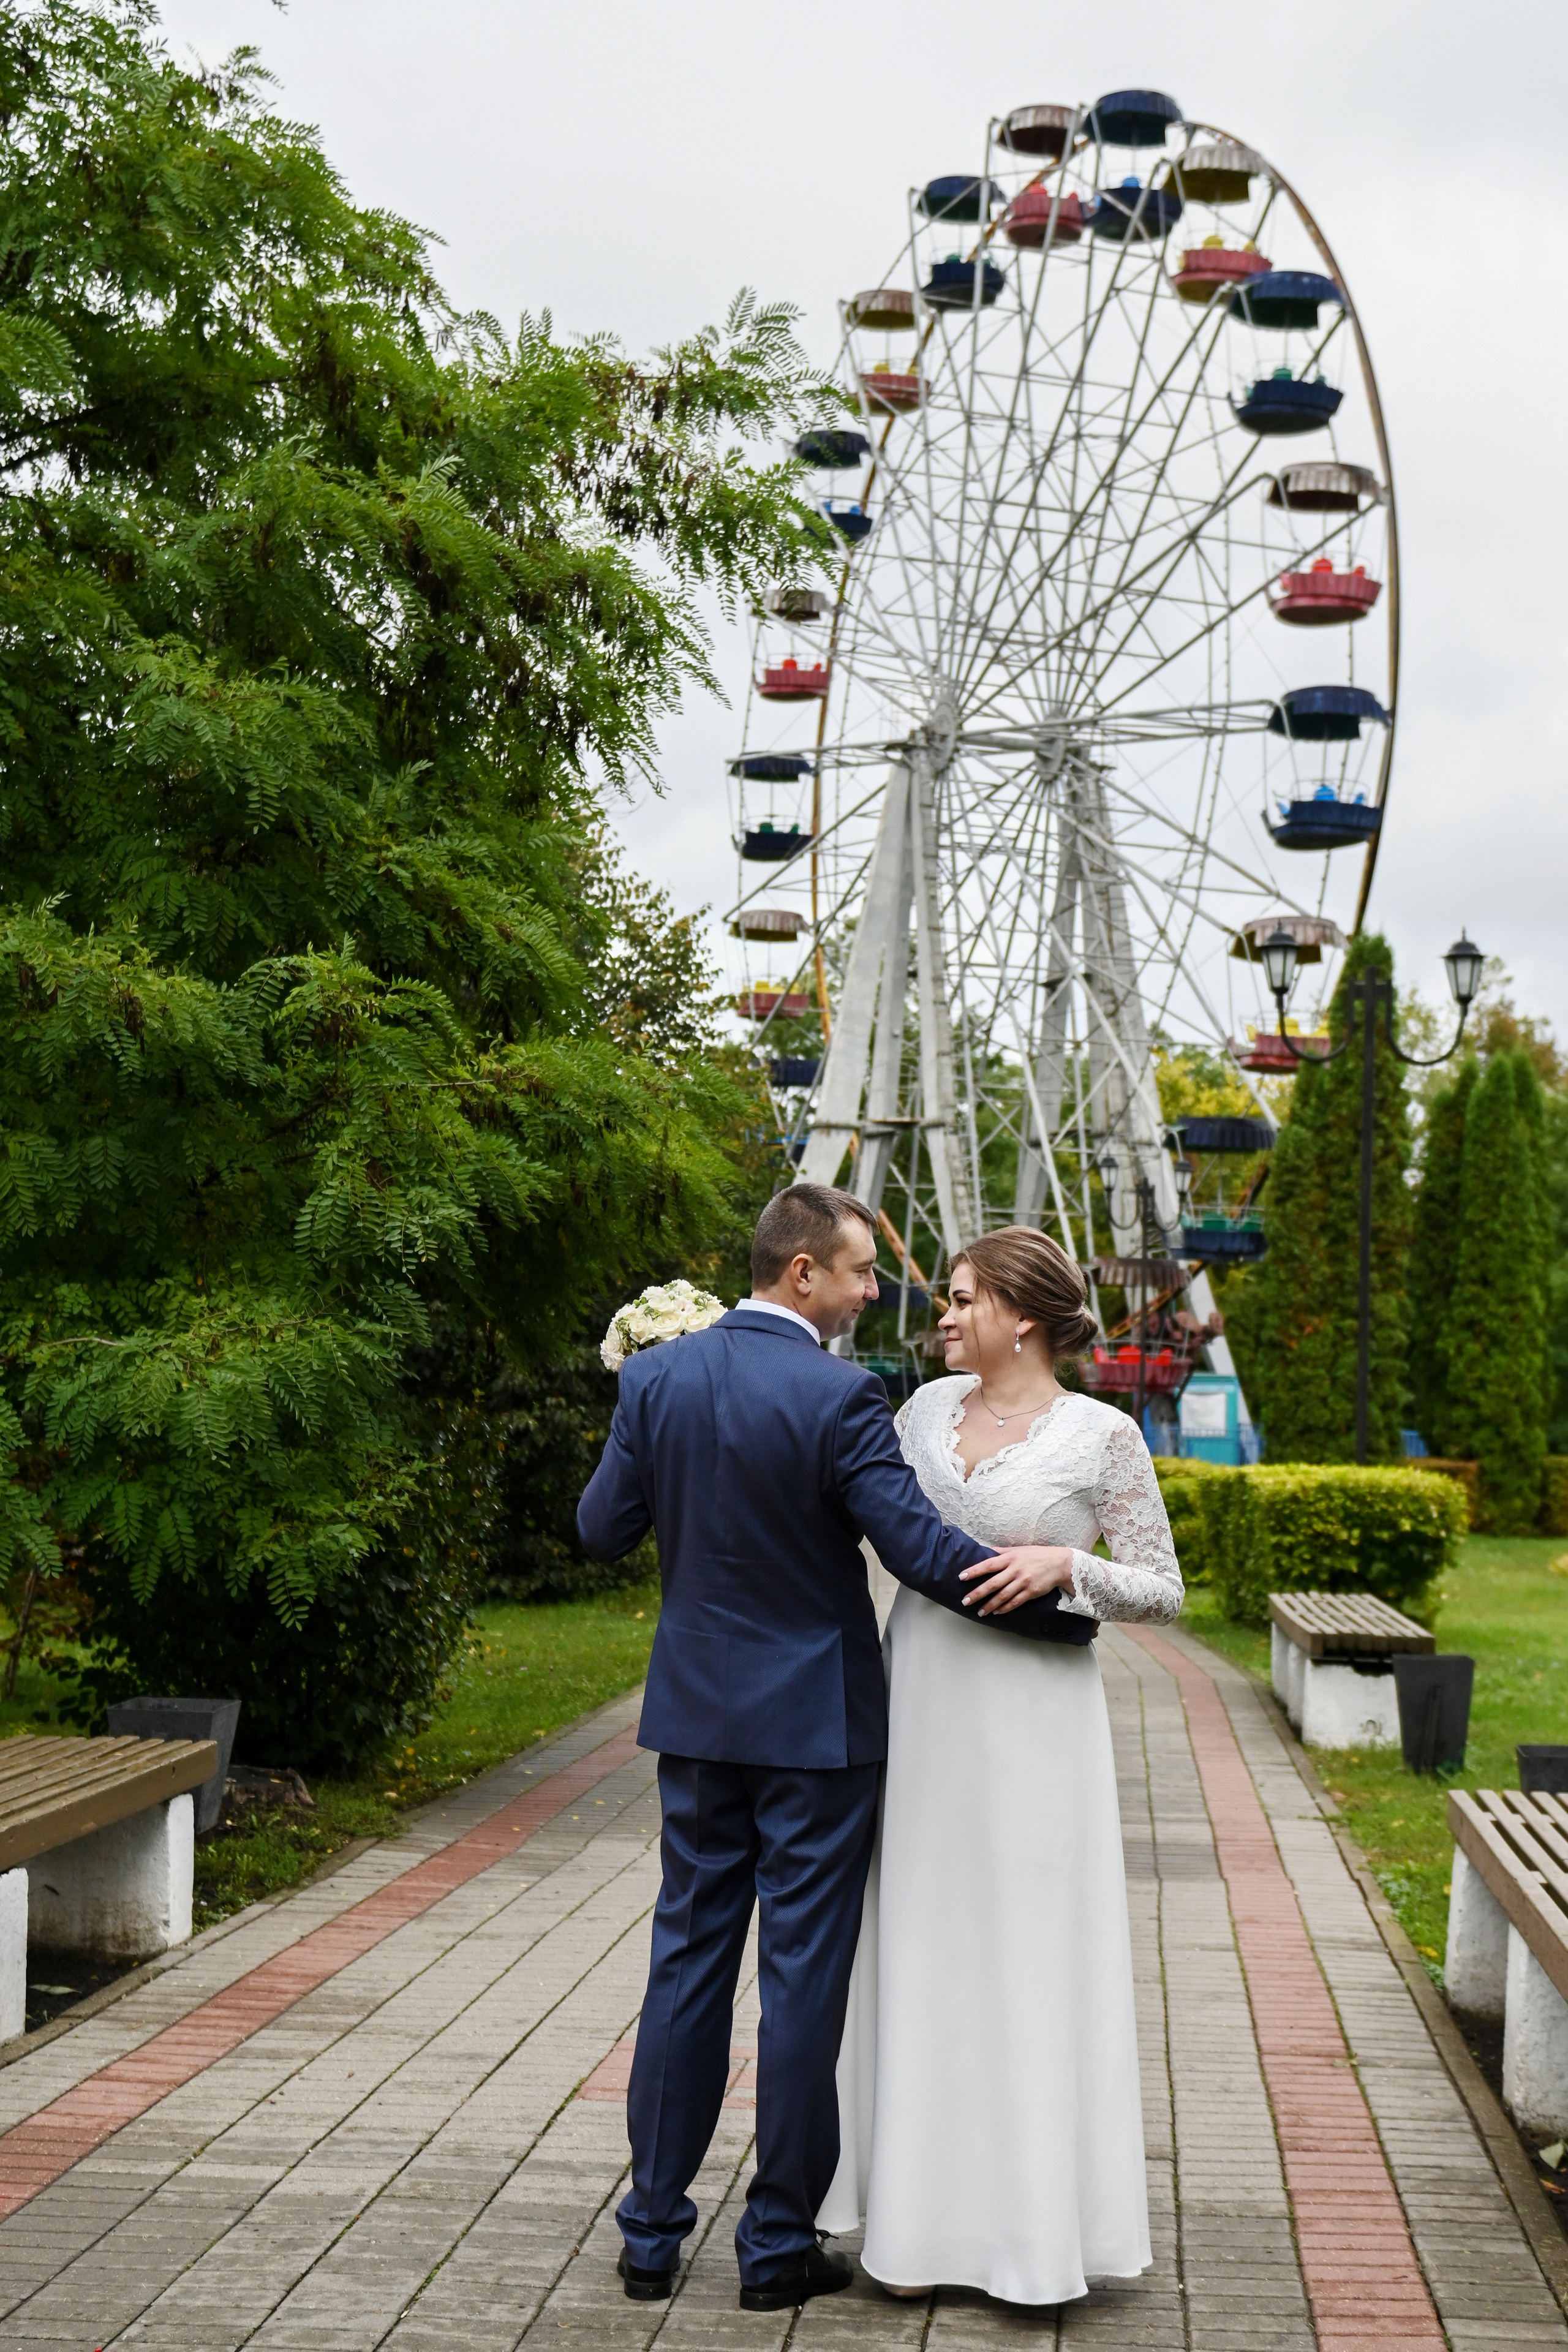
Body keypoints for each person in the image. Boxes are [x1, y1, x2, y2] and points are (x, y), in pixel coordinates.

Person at [576, 1185, 1097, 2314]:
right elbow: (916, 1549)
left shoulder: (656, 1379)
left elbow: (599, 1528)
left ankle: (651, 2239)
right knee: (803, 1985)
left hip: (699, 1728)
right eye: (862, 1271)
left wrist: (645, 1426)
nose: (877, 1289)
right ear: (802, 1274)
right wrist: (1061, 1613)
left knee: (685, 1970)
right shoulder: (838, 1395)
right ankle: (772, 2252)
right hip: (819, 1734)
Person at [820, 1224, 1183, 2305]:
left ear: (1023, 1317)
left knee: (1026, 1953)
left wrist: (1070, 1564)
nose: (942, 1315)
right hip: (923, 1702)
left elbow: (1163, 1586)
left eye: (964, 1299)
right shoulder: (920, 1412)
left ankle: (1030, 2239)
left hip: (1035, 1725)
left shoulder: (1104, 1436)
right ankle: (917, 2230)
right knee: (924, 1944)